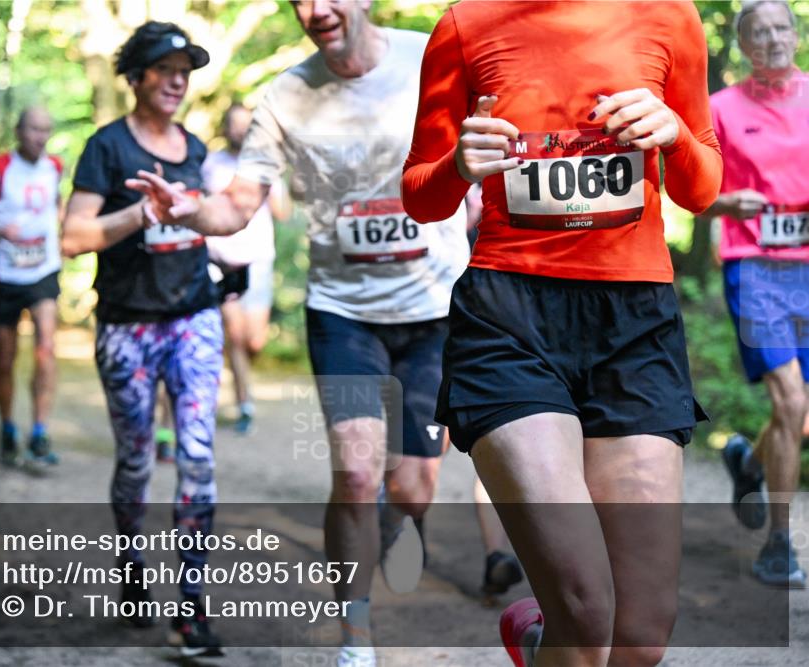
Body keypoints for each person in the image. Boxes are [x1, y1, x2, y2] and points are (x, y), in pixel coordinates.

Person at [128, 3, 519, 665]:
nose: (316, 10)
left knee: (414, 485)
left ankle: (397, 524)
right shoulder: (283, 96)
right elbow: (239, 204)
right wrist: (192, 210)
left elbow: (500, 131)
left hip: (434, 306)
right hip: (343, 310)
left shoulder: (432, 55)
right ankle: (355, 633)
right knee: (358, 469)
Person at [401, 1, 722, 666]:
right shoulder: (468, 23)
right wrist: (460, 163)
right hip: (509, 317)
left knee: (637, 639)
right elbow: (420, 194)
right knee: (583, 607)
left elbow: (702, 188)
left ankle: (539, 642)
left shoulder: (669, 16)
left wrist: (674, 136)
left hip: (635, 321)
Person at [60, 22, 223, 657]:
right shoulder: (106, 147)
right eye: (164, 67)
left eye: (186, 67)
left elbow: (208, 223)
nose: (179, 78)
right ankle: (132, 564)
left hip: (193, 320)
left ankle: (191, 609)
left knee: (198, 456)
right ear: (136, 77)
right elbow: (72, 239)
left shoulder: (198, 151)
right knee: (134, 462)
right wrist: (142, 213)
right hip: (126, 326)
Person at [696, 0, 807, 589]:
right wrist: (726, 203)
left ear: (795, 34)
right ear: (742, 46)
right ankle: (780, 546)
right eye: (757, 31)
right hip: (755, 269)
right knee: (791, 402)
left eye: (780, 27)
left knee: (800, 409)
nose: (771, 39)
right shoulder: (720, 109)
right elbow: (688, 190)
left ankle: (747, 460)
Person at [0, 107, 63, 467]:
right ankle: (6, 426)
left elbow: (57, 206)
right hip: (5, 274)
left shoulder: (56, 168)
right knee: (5, 357)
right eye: (34, 129)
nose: (40, 137)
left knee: (46, 347)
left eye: (46, 130)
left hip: (45, 271)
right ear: (19, 131)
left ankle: (39, 431)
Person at [202, 103, 291, 435]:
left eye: (245, 125)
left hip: (257, 260)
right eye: (233, 124)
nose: (239, 131)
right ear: (223, 128)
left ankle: (240, 379)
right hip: (220, 259)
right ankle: (244, 404)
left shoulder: (265, 164)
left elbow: (283, 213)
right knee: (235, 334)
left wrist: (276, 179)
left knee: (254, 340)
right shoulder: (209, 164)